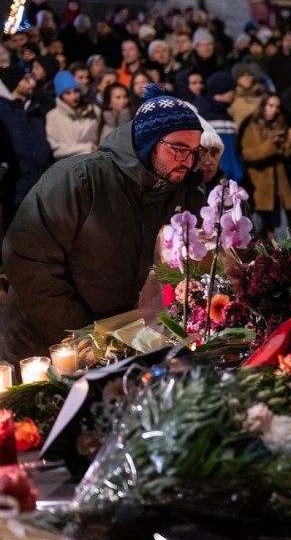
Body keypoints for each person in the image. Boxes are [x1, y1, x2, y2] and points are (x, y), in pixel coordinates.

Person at [2, 87, 207, 361]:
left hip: (119, 345)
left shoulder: (184, 194)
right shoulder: (79, 180)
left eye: (194, 152)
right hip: (42, 342)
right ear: (148, 141)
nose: (188, 161)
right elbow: (27, 258)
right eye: (178, 150)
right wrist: (79, 333)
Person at [240, 93, 291, 239]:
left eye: (277, 107)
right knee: (254, 232)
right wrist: (271, 145)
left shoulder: (281, 125)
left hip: (279, 187)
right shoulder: (251, 126)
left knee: (283, 234)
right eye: (271, 105)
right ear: (263, 106)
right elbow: (248, 154)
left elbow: (285, 155)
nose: (274, 110)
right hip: (258, 185)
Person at [0, 65, 51, 232]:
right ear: (13, 82)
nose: (32, 83)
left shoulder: (35, 110)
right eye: (26, 79)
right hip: (14, 188)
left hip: (39, 186)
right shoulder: (3, 111)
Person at [45, 69, 100, 160]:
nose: (74, 97)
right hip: (69, 165)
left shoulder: (92, 111)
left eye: (76, 91)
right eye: (68, 93)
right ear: (61, 96)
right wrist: (88, 148)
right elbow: (57, 150)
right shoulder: (52, 117)